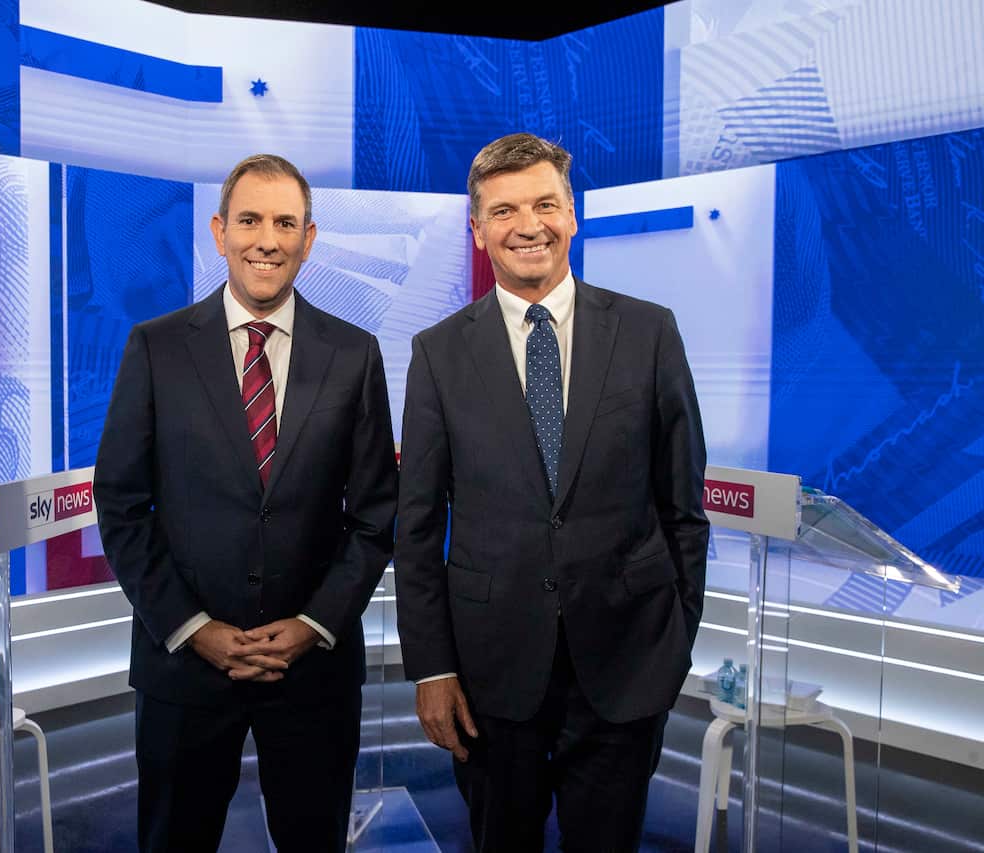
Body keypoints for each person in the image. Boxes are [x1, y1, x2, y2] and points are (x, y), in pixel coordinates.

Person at [394, 133, 709, 852]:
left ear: (572, 214)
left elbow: (683, 509)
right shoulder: (437, 353)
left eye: (544, 204)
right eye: (503, 210)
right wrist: (433, 667)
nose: (527, 225)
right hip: (489, 676)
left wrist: (673, 645)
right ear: (478, 230)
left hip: (626, 667)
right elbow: (417, 528)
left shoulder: (649, 332)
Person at [93, 154, 398, 853]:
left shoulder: (355, 354)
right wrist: (192, 626)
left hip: (313, 673)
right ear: (219, 231)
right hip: (184, 669)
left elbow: (375, 514)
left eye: (286, 223)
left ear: (309, 239)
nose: (267, 240)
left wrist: (314, 624)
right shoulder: (156, 347)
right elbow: (122, 505)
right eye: (250, 220)